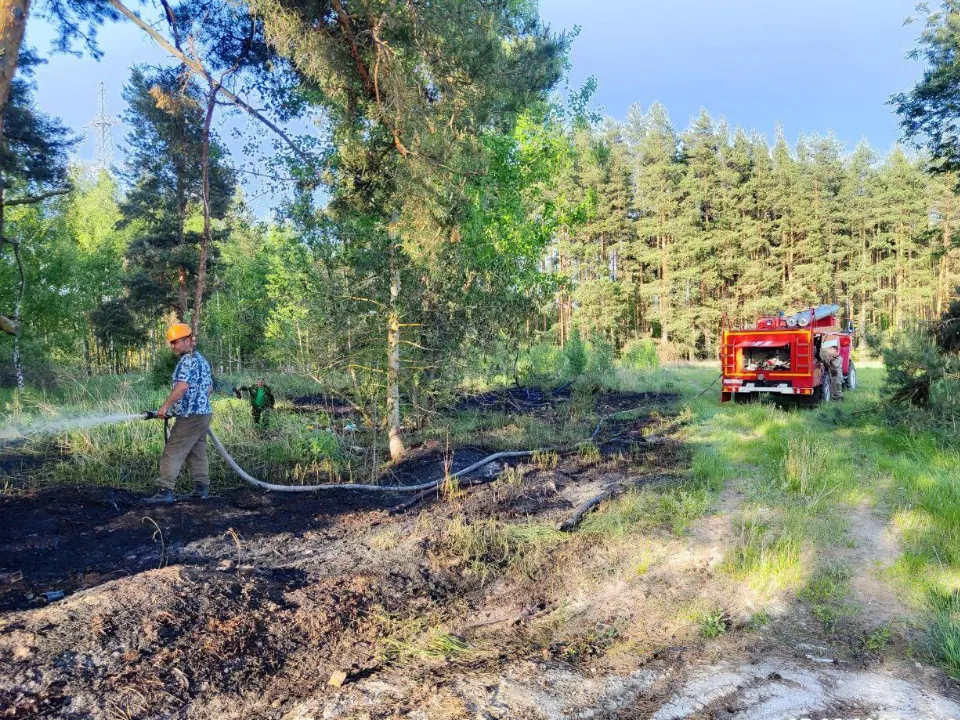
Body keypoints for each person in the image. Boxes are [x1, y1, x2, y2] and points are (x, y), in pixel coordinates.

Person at [143, 323, 214, 504]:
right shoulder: (201, 360)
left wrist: (165, 407)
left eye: (175, 342)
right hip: (202, 415)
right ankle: (201, 490)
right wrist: (190, 404)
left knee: (172, 451)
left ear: (187, 340)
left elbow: (182, 387)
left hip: (190, 417)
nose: (173, 346)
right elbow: (209, 388)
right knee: (197, 451)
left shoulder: (187, 361)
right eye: (171, 343)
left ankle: (164, 491)